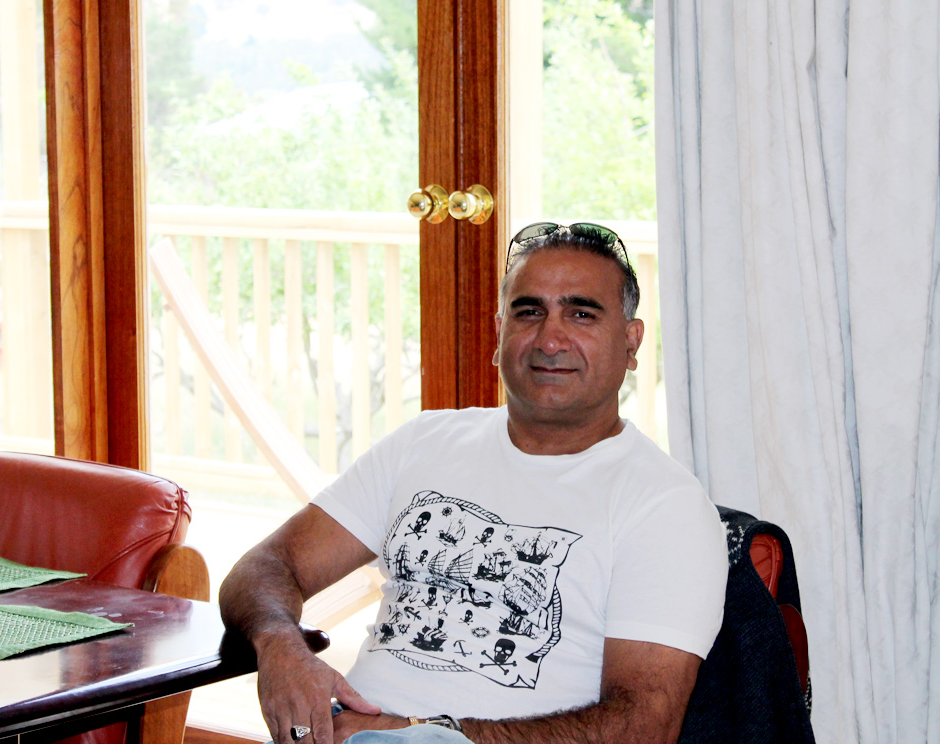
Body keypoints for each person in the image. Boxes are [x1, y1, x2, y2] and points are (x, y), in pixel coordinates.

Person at [220, 222, 728, 744]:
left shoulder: (666, 506)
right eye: (529, 312)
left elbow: (643, 727)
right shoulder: (426, 442)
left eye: (581, 314)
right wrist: (280, 646)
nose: (550, 339)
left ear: (631, 340)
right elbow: (265, 567)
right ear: (499, 334)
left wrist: (417, 731)